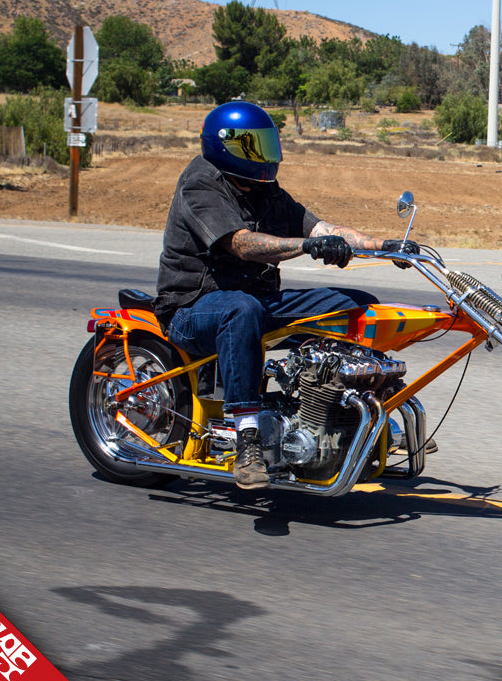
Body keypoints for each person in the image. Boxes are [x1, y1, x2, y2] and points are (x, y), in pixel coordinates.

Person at [154, 100, 416, 490]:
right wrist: (307, 247)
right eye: (253, 146)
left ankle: (355, 413)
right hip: (193, 306)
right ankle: (247, 441)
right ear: (227, 145)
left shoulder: (266, 191)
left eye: (266, 144)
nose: (264, 155)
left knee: (355, 305)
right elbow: (242, 244)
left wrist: (386, 246)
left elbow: (322, 228)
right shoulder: (201, 183)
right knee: (240, 310)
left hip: (256, 301)